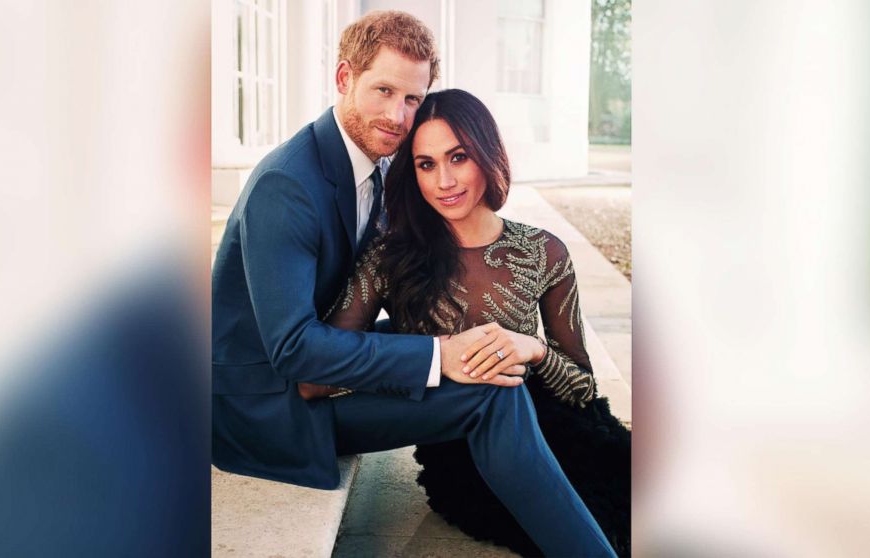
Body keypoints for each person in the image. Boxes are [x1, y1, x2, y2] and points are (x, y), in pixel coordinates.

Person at [212, 10, 617, 557]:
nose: (397, 116)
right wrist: (437, 353)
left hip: (316, 371)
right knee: (487, 390)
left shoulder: (375, 164)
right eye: (383, 90)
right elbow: (294, 353)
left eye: (411, 99)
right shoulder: (288, 185)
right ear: (343, 79)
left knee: (495, 373)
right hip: (271, 408)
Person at [307, 88, 631, 557]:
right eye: (425, 164)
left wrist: (533, 349)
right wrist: (419, 362)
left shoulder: (543, 252)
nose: (444, 180)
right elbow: (323, 363)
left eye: (458, 157)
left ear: (485, 153)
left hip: (558, 429)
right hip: (461, 454)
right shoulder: (389, 258)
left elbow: (582, 386)